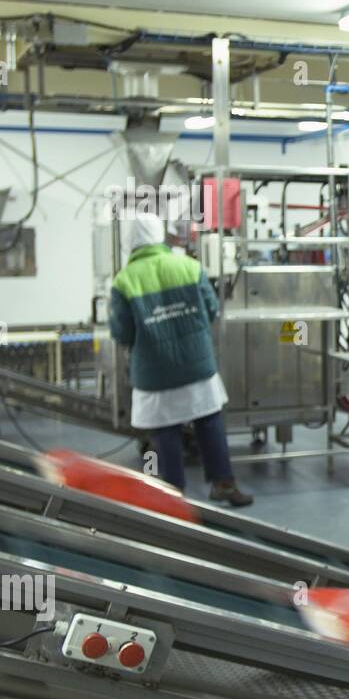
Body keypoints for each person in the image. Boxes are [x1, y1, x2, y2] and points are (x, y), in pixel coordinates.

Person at [108, 212, 252, 507]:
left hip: (154, 371)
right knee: (209, 420)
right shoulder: (189, 266)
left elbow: (122, 332)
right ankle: (224, 483)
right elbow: (211, 310)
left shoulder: (124, 281)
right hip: (196, 363)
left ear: (129, 242)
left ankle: (174, 497)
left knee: (166, 430)